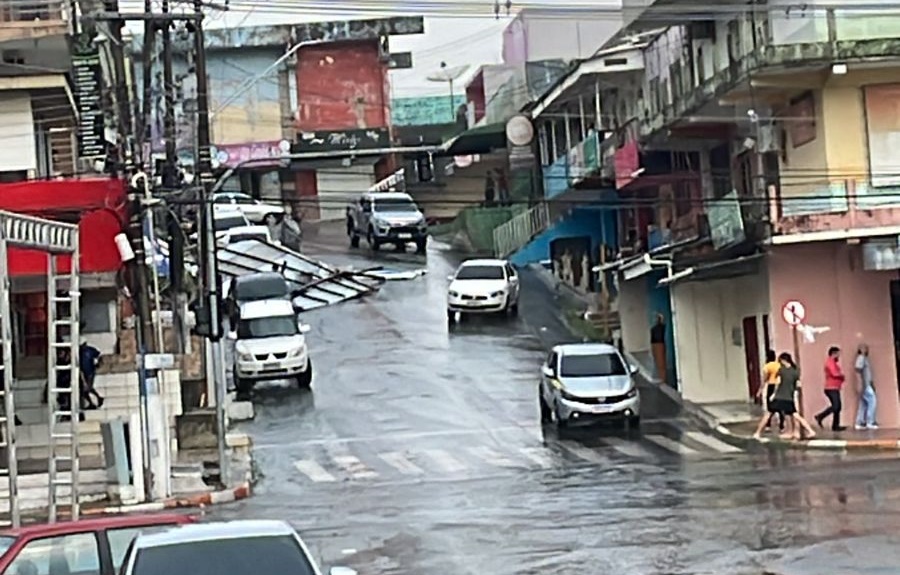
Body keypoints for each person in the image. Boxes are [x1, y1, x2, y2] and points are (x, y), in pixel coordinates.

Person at [769, 352, 816, 440]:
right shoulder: (795, 370)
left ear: (783, 360)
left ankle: (808, 430)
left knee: (794, 415)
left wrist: (773, 394)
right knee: (790, 415)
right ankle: (792, 432)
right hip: (790, 395)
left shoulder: (782, 370)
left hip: (782, 395)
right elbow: (798, 383)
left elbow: (777, 383)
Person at [815, 346, 847, 431]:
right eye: (838, 354)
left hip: (835, 387)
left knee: (838, 407)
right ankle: (820, 416)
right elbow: (834, 373)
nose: (839, 356)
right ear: (834, 353)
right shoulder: (830, 362)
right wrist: (842, 376)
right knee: (836, 406)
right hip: (831, 387)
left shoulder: (833, 362)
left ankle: (835, 425)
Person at [757, 349, 785, 434]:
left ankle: (768, 425)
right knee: (780, 405)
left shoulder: (767, 366)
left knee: (770, 406)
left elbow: (765, 379)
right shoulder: (779, 365)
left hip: (771, 385)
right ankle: (782, 426)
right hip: (779, 385)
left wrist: (760, 390)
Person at [854, 343, 878, 429]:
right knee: (872, 401)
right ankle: (870, 421)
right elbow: (858, 371)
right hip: (865, 385)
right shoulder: (861, 358)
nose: (867, 350)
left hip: (867, 384)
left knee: (863, 404)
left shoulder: (864, 359)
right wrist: (860, 384)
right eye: (865, 348)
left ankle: (860, 422)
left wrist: (872, 384)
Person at [78, 341, 104, 410]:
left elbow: (99, 355)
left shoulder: (89, 350)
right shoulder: (79, 352)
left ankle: (96, 399)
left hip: (90, 372)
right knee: (86, 389)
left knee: (87, 388)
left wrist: (99, 363)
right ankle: (95, 400)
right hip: (84, 372)